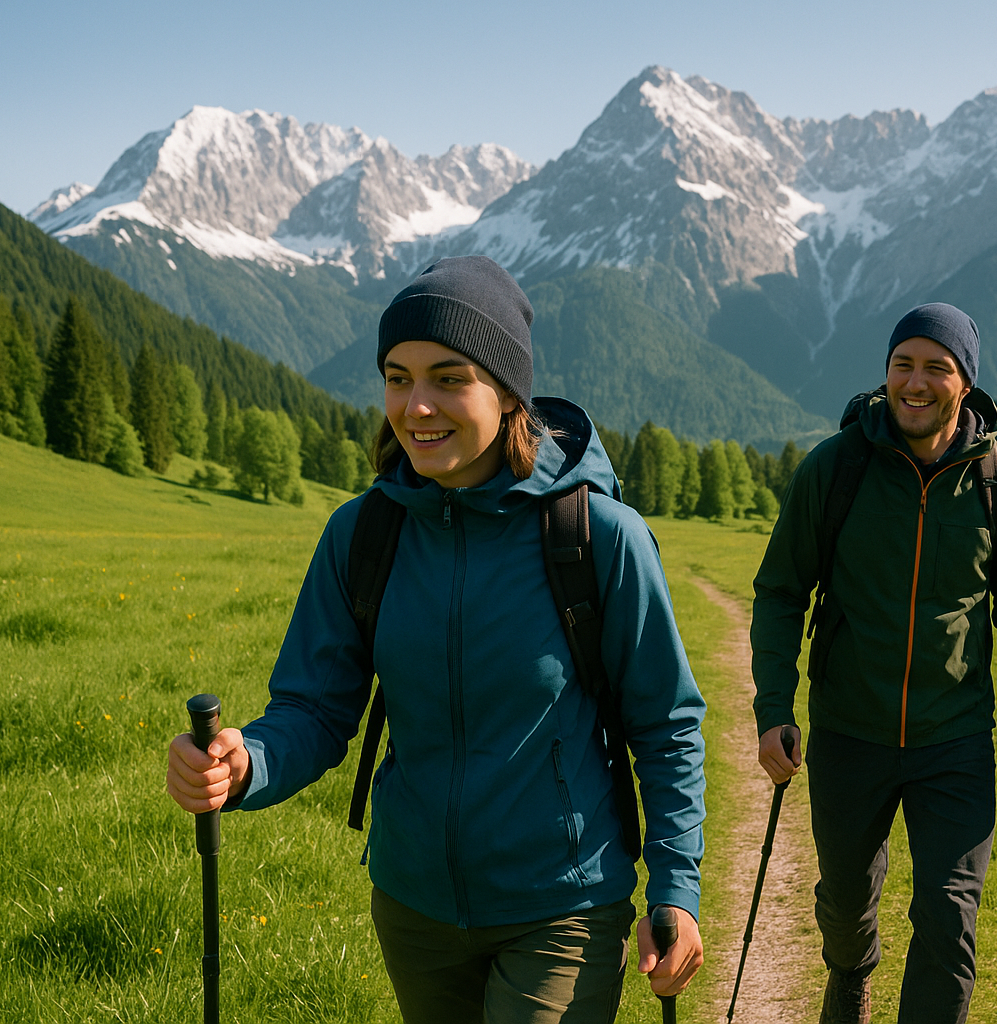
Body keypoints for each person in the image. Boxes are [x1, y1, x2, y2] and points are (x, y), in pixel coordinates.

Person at [165, 255, 707, 1024]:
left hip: (563, 908)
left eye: (449, 378)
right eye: (397, 377)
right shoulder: (364, 534)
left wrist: (677, 887)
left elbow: (666, 724)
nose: (416, 406)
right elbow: (315, 710)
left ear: (507, 390)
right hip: (413, 907)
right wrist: (244, 762)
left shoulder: (597, 538)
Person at [750, 302, 997, 1024]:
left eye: (936, 367)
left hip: (953, 739)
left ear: (966, 384)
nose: (915, 382)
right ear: (886, 372)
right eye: (903, 364)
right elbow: (779, 592)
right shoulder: (836, 469)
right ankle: (852, 973)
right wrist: (774, 710)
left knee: (950, 921)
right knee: (846, 902)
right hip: (848, 732)